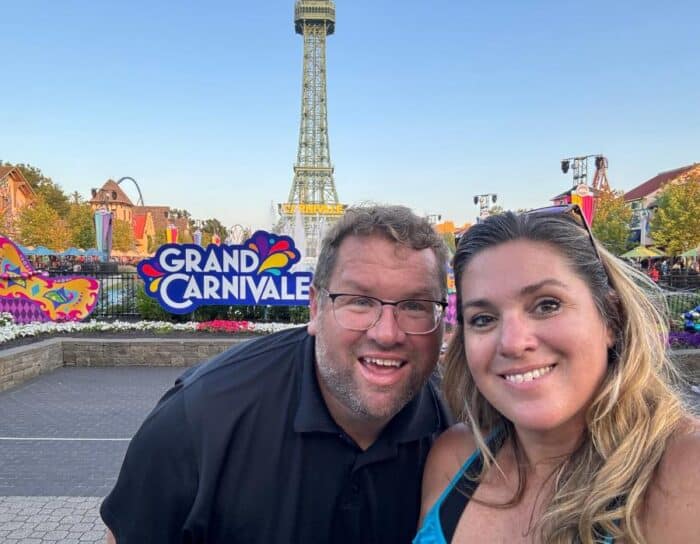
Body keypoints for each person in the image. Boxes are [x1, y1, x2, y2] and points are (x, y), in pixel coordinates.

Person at [101, 204, 452, 544]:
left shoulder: (465, 428)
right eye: (359, 301)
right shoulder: (199, 421)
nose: (387, 333)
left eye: (415, 306)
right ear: (314, 308)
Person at [415, 205, 700, 543]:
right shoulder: (453, 458)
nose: (513, 343)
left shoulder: (685, 471)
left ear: (612, 317)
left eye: (547, 305)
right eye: (483, 319)